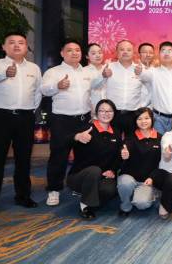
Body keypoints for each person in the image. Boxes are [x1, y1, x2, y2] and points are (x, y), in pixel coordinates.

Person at [0, 32, 42, 217]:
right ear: (4, 47)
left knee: (24, 159)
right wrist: (5, 73)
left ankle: (23, 196)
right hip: (1, 118)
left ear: (26, 47)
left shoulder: (34, 68)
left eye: (21, 42)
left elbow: (38, 92)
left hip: (25, 118)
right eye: (11, 42)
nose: (17, 45)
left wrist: (30, 109)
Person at [42, 39, 103, 207]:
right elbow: (44, 90)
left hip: (83, 119)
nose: (74, 53)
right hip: (62, 121)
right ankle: (54, 189)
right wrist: (58, 85)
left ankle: (78, 185)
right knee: (59, 156)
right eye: (69, 50)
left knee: (84, 156)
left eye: (77, 50)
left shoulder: (87, 72)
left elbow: (95, 89)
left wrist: (104, 76)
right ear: (62, 53)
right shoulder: (53, 72)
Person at [66, 99, 122, 220]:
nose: (106, 113)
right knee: (94, 170)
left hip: (102, 176)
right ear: (96, 113)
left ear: (114, 113)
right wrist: (76, 137)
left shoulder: (116, 133)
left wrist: (112, 170)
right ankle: (85, 206)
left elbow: (117, 157)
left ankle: (90, 197)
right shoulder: (87, 129)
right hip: (80, 176)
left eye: (109, 111)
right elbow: (64, 141)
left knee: (110, 190)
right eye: (102, 111)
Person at [139, 41, 172, 134]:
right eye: (163, 51)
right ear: (159, 54)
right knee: (159, 142)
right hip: (158, 119)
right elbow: (143, 76)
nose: (166, 53)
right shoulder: (153, 72)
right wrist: (139, 72)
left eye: (169, 51)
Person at [117, 107, 162, 216]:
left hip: (147, 181)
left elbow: (162, 164)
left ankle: (152, 192)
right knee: (125, 184)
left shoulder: (160, 138)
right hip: (130, 177)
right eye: (139, 119)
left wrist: (152, 178)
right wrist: (123, 154)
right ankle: (125, 206)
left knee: (142, 204)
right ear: (135, 121)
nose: (143, 121)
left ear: (152, 119)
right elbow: (124, 149)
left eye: (146, 118)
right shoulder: (130, 137)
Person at [101, 40, 144, 138]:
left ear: (133, 53)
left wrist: (143, 106)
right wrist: (102, 76)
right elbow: (95, 86)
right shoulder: (108, 67)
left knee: (132, 142)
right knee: (112, 141)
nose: (125, 52)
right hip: (113, 114)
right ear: (116, 52)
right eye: (122, 49)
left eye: (128, 50)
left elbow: (148, 90)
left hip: (133, 114)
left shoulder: (139, 69)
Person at [85, 43, 106, 116]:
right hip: (91, 111)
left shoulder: (109, 69)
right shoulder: (83, 71)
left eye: (100, 52)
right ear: (87, 56)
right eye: (93, 53)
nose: (98, 55)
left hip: (109, 110)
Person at [138, 42, 155, 107]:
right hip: (134, 108)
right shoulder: (133, 69)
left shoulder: (156, 71)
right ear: (139, 54)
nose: (148, 55)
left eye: (151, 53)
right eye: (145, 52)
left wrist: (143, 105)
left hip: (152, 108)